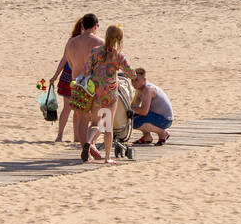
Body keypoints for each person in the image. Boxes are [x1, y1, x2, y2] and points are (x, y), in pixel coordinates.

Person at [80, 24, 130, 164]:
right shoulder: (118, 56)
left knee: (95, 123)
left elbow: (85, 71)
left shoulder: (95, 51)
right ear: (119, 39)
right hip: (111, 94)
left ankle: (88, 143)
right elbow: (130, 72)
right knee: (108, 126)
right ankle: (107, 158)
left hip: (96, 92)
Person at [52, 13, 103, 145]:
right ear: (95, 26)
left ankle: (83, 147)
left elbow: (69, 61)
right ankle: (90, 145)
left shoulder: (71, 42)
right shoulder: (100, 42)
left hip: (77, 83)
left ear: (82, 25)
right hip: (93, 84)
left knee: (81, 117)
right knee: (96, 118)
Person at [130, 67, 174, 144]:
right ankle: (147, 137)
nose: (134, 83)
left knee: (134, 122)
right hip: (156, 115)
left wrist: (131, 109)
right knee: (132, 117)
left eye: (137, 80)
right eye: (132, 80)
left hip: (165, 119)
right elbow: (134, 106)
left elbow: (144, 112)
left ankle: (162, 133)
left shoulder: (148, 90)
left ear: (144, 80)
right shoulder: (139, 89)